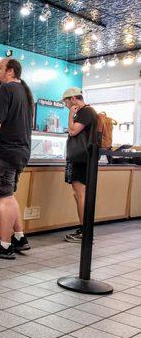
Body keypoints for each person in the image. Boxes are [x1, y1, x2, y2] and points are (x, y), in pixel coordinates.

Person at [0, 58, 34, 259]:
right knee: (9, 195)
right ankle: (19, 237)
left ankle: (4, 245)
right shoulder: (25, 93)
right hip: (20, 152)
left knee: (4, 197)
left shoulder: (5, 90)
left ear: (10, 71)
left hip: (4, 152)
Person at [62, 87, 98, 243]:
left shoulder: (85, 112)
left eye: (66, 101)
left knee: (80, 193)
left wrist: (70, 115)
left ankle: (85, 232)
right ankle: (84, 229)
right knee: (78, 193)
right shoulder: (87, 112)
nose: (65, 105)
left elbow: (72, 131)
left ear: (73, 99)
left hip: (81, 158)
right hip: (83, 158)